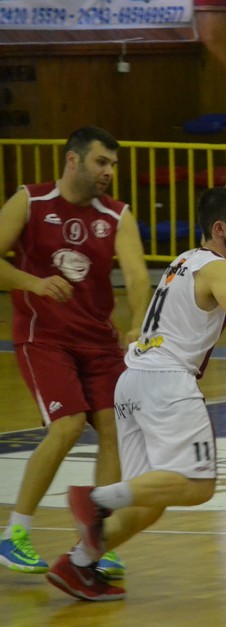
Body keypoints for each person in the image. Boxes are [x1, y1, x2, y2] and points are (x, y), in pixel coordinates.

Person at [45, 187, 226, 602]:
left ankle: (78, 563)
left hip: (133, 382)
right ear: (220, 228)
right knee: (198, 484)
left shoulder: (184, 260)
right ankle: (95, 498)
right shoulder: (218, 267)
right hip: (167, 382)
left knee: (147, 504)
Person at [0, 127, 151, 579]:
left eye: (113, 165)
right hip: (44, 338)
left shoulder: (117, 215)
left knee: (114, 429)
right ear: (73, 160)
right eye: (101, 162)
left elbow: (137, 276)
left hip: (99, 343)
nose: (108, 172)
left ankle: (97, 541)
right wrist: (33, 283)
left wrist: (138, 323)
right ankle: (14, 534)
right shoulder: (30, 201)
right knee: (66, 426)